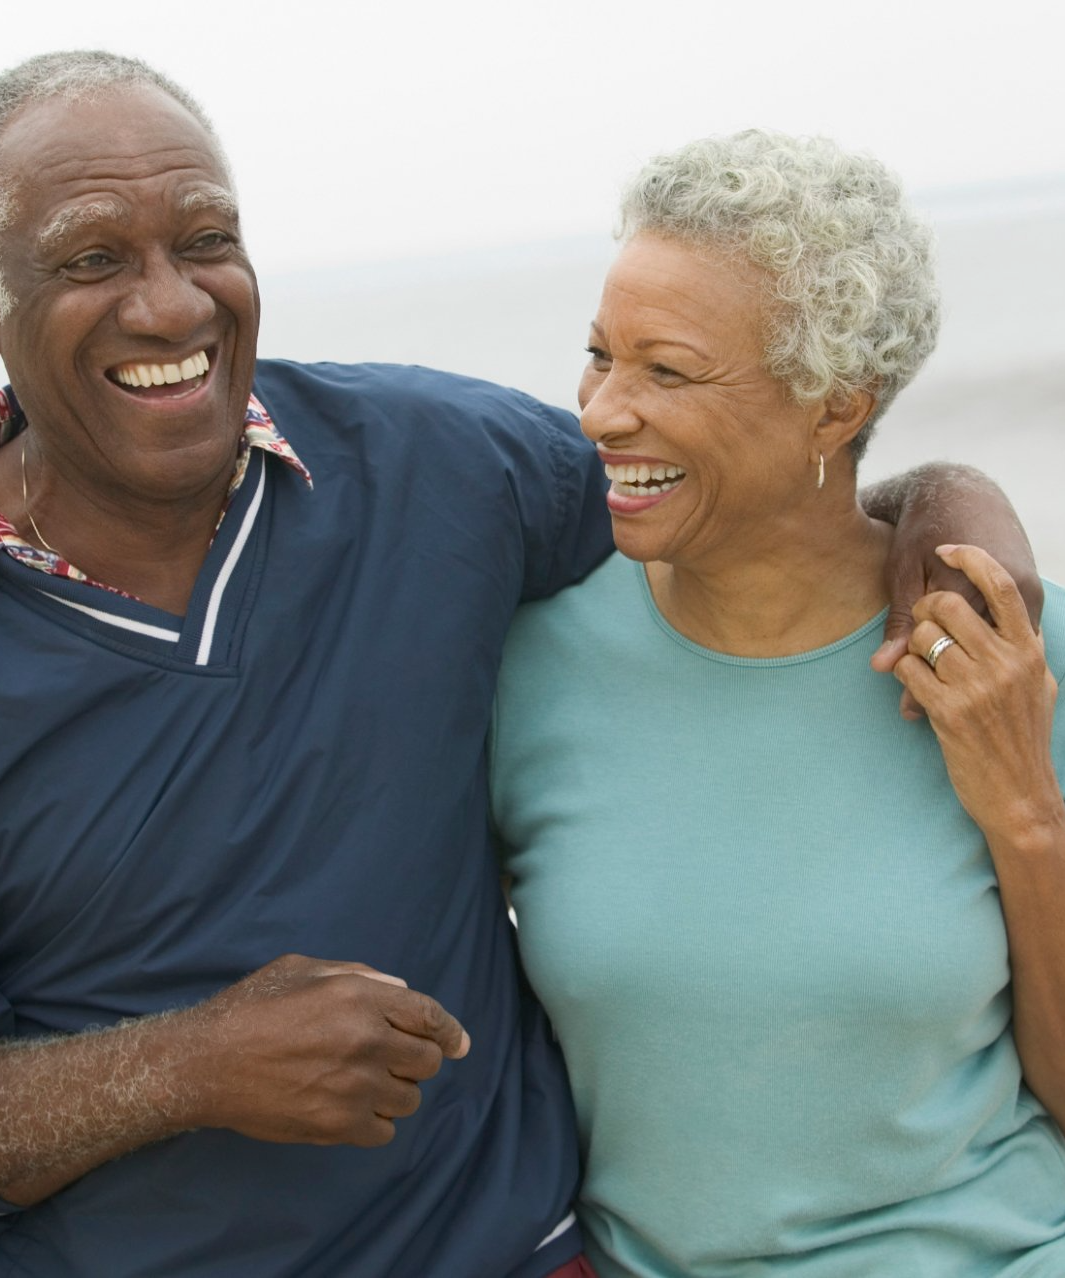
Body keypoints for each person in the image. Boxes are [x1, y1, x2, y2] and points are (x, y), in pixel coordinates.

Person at [0, 57, 1040, 1278]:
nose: (168, 305)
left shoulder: (437, 466)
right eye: (90, 259)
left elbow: (739, 493)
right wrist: (185, 1068)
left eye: (206, 240)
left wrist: (952, 508)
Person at [489, 130, 1065, 1277]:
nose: (602, 412)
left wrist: (1027, 820)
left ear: (832, 408)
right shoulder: (525, 663)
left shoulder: (1010, 655)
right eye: (600, 357)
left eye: (667, 370)